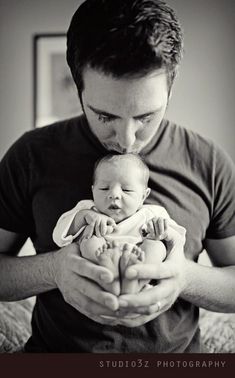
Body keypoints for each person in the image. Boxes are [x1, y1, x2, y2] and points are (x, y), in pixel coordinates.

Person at [0, 0, 235, 353]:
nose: (126, 141)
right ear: (77, 87)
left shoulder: (208, 161)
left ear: (171, 87)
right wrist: (54, 271)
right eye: (106, 116)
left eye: (146, 117)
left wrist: (185, 278)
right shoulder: (31, 155)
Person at [53, 153, 185, 296]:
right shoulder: (88, 209)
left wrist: (162, 229)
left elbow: (178, 240)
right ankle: (109, 273)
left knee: (157, 245)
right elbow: (58, 236)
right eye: (104, 188)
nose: (114, 194)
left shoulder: (152, 213)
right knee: (89, 240)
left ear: (143, 196)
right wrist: (84, 217)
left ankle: (135, 279)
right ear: (93, 191)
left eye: (126, 190)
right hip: (101, 257)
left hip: (139, 255)